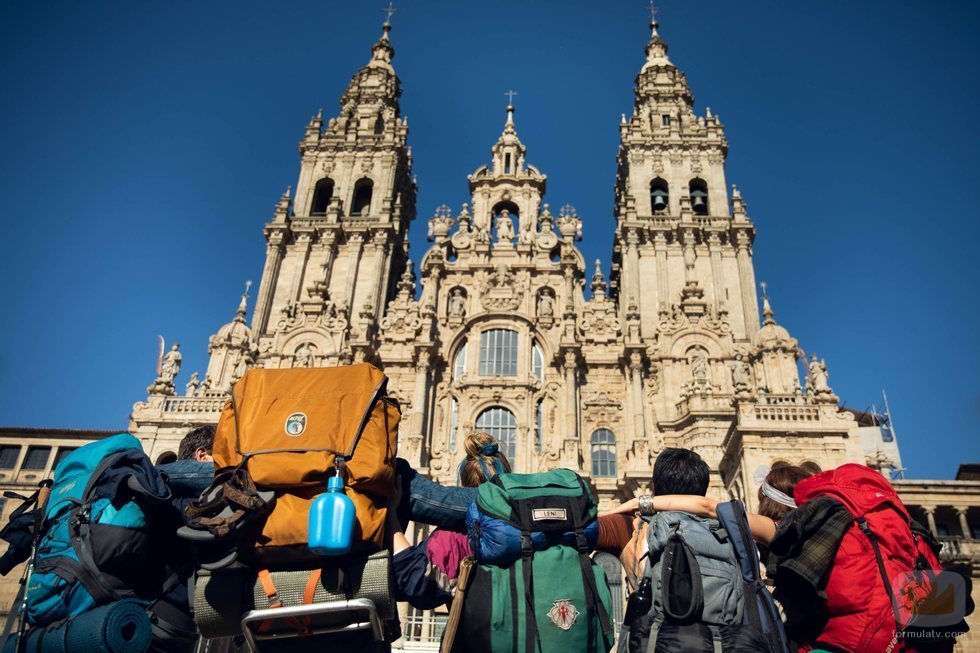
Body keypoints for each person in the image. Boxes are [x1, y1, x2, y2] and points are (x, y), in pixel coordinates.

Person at [389, 432, 511, 609]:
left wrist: (391, 515)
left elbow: (415, 584)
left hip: (478, 633)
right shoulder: (529, 523)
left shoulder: (455, 536)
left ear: (463, 484)